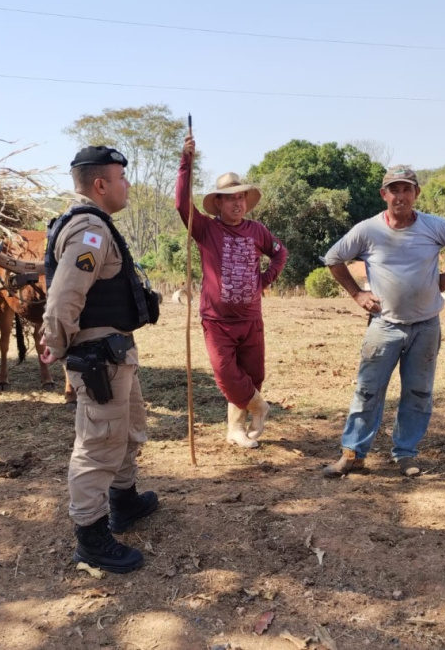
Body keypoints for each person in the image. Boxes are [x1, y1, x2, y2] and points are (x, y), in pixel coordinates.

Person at [40, 146, 159, 573]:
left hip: (115, 350)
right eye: (121, 178)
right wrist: (56, 343)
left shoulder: (96, 225)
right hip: (99, 356)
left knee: (126, 428)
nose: (127, 185)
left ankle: (123, 501)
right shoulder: (89, 230)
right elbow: (64, 296)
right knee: (98, 444)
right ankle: (91, 537)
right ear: (100, 184)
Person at [322, 165, 445, 478]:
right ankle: (353, 454)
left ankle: (406, 453)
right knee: (368, 391)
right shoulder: (368, 230)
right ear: (384, 194)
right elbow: (333, 258)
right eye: (394, 190)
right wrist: (357, 294)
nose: (401, 196)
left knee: (418, 392)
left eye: (407, 189)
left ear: (416, 193)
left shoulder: (433, 226)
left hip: (426, 325)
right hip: (384, 326)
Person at [177, 134, 288, 448]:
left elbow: (280, 253)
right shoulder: (206, 229)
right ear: (219, 203)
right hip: (217, 320)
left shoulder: (257, 230)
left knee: (251, 376)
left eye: (241, 198)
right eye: (230, 199)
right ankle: (260, 407)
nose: (237, 203)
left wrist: (263, 281)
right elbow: (181, 204)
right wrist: (186, 162)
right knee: (227, 375)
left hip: (251, 318)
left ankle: (235, 429)